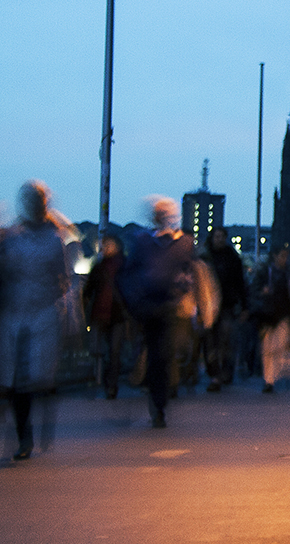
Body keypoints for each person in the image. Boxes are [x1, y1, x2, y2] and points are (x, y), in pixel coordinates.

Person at [0, 181, 70, 460]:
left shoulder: (55, 239)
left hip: (42, 313)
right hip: (12, 313)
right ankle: (24, 436)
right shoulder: (11, 237)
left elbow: (62, 277)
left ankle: (36, 426)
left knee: (37, 376)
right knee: (18, 378)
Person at [118, 196, 196, 428]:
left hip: (171, 306)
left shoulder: (184, 243)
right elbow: (129, 273)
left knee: (164, 353)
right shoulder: (143, 242)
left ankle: (160, 401)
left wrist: (183, 291)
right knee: (155, 354)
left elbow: (190, 272)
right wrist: (135, 300)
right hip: (149, 305)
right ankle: (157, 401)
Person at [200, 227, 247, 392]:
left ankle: (225, 372)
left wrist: (244, 305)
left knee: (226, 339)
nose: (219, 239)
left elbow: (241, 283)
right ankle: (215, 373)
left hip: (227, 304)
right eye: (216, 236)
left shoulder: (232, 258)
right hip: (208, 305)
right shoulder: (205, 258)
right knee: (210, 342)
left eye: (222, 237)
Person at [81, 235, 127, 400]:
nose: (105, 248)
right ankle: (107, 383)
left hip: (117, 315)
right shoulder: (99, 268)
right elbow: (88, 290)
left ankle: (111, 385)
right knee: (107, 351)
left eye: (108, 245)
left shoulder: (123, 266)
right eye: (103, 246)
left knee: (113, 351)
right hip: (102, 315)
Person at [250, 245, 290, 393]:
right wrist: (262, 292)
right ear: (275, 256)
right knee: (267, 348)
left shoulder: (289, 275)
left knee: (279, 346)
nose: (284, 259)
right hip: (267, 315)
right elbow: (254, 290)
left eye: (286, 256)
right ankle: (268, 379)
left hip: (284, 314)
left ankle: (272, 376)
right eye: (282, 255)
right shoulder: (265, 273)